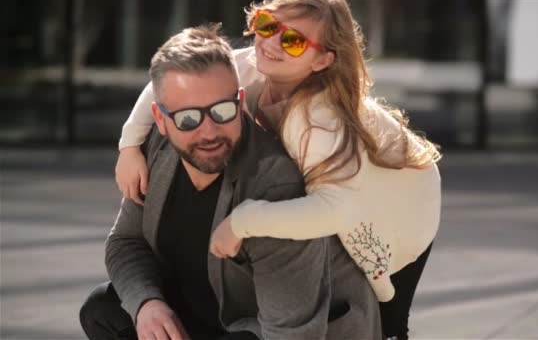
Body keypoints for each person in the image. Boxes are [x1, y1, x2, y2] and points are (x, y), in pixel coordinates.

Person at [116, 0, 441, 339]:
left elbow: (335, 210)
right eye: (268, 25)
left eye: (294, 41)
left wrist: (243, 222)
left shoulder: (318, 120)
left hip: (404, 204)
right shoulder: (251, 64)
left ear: (322, 60)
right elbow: (164, 83)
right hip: (349, 189)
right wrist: (129, 146)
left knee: (384, 318)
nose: (271, 43)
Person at [79, 24, 382, 340]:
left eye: (222, 111)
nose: (208, 132)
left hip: (279, 329)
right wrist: (147, 304)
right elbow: (126, 242)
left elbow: (291, 332)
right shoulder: (156, 149)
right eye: (187, 119)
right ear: (160, 120)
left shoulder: (275, 188)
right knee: (105, 309)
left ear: (239, 102)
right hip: (208, 316)